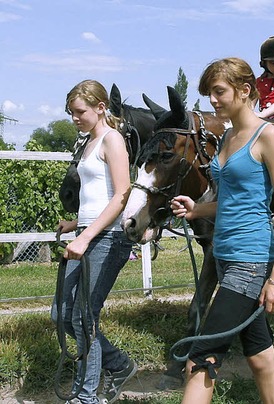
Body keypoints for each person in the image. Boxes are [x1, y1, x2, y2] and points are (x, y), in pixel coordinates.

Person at [171, 57, 274, 404]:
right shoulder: (227, 136)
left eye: (218, 91)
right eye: (209, 93)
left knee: (201, 358)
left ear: (244, 90)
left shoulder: (267, 135)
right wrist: (198, 209)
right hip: (224, 255)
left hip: (250, 261)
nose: (213, 100)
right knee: (259, 354)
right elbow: (231, 200)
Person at [51, 79, 137, 404]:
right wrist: (76, 223)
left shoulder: (112, 139)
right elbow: (96, 194)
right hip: (88, 234)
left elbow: (122, 195)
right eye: (71, 112)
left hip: (108, 238)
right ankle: (117, 364)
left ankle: (86, 396)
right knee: (60, 313)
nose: (74, 118)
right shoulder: (88, 141)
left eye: (79, 112)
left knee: (83, 316)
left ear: (100, 107)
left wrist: (86, 236)